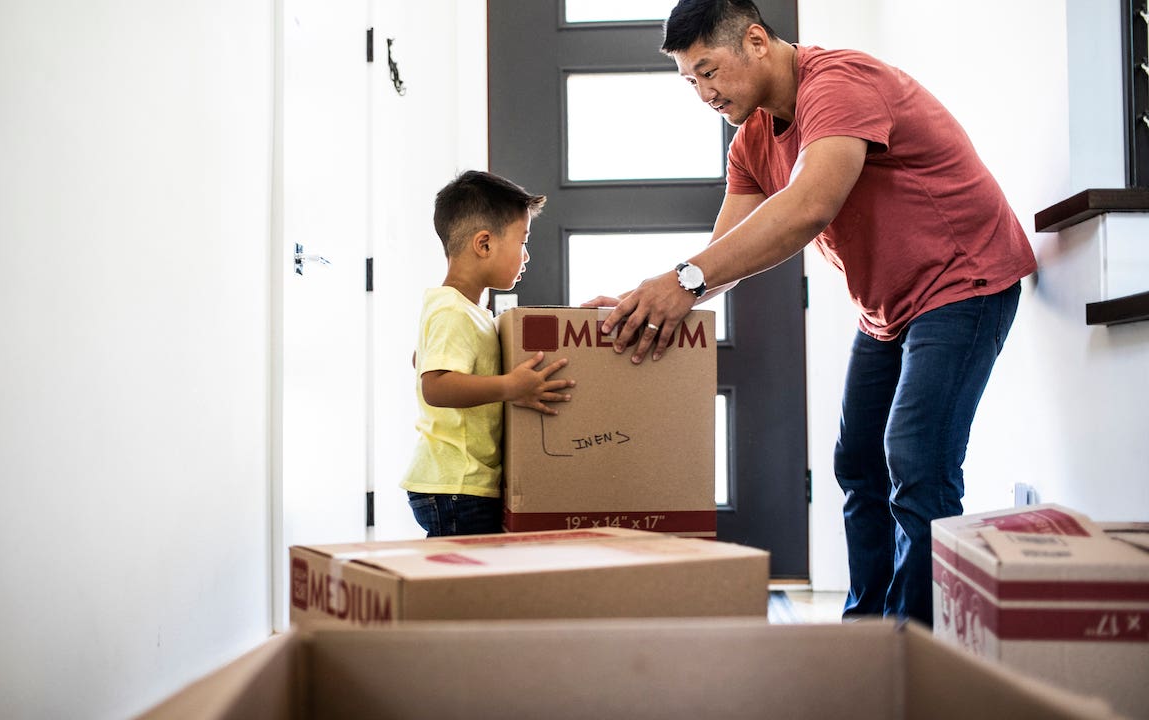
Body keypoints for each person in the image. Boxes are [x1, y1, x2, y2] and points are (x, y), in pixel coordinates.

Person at [586, 0, 1036, 625]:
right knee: (857, 463)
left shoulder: (838, 83)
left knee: (915, 458)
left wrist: (682, 285)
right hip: (889, 306)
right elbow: (723, 255)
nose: (704, 93)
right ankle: (866, 630)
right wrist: (652, 300)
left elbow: (809, 207)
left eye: (710, 71)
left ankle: (914, 643)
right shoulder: (750, 143)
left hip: (965, 281)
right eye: (691, 81)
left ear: (756, 41)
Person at [401, 170, 576, 537]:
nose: (526, 255)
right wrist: (511, 386)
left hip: (462, 482)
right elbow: (435, 387)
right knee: (464, 585)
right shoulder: (452, 309)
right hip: (455, 485)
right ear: (484, 244)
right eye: (522, 241)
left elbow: (423, 361)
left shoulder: (469, 312)